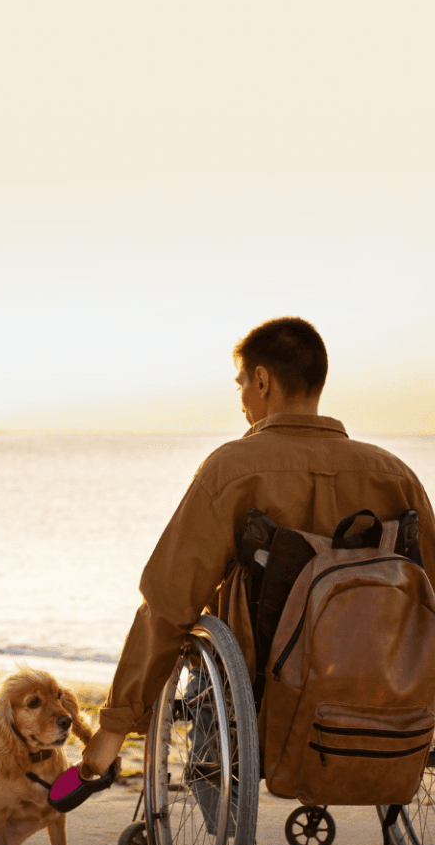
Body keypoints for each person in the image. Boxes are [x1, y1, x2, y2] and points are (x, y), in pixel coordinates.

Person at [80, 316, 435, 779]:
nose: (242, 402)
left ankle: (219, 810)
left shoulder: (232, 470)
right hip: (383, 684)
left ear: (262, 381)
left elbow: (168, 603)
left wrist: (116, 725)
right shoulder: (395, 474)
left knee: (199, 643)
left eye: (241, 385)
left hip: (263, 693)